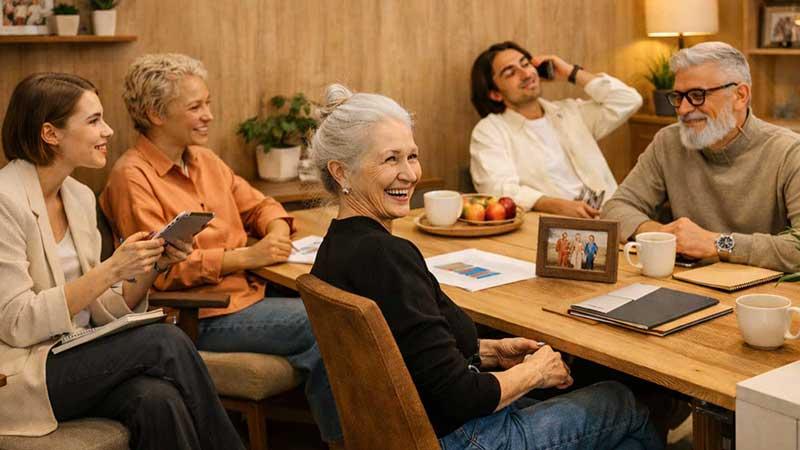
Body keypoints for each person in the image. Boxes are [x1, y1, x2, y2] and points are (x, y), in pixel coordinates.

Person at [309, 83, 663, 450]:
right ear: (342, 172)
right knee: (621, 402)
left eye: (412, 156)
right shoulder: (388, 257)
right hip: (460, 437)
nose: (410, 173)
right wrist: (535, 372)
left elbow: (406, 351)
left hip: (402, 431)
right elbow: (459, 396)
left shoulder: (335, 248)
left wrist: (491, 351)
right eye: (390, 159)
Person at [99, 53, 342, 443]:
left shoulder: (207, 160)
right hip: (198, 316)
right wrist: (248, 256)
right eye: (195, 106)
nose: (209, 114)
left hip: (248, 297)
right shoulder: (131, 177)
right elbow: (157, 268)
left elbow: (261, 205)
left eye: (208, 103)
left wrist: (275, 229)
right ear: (155, 114)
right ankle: (351, 440)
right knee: (330, 321)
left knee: (342, 304)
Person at [0, 73, 243, 450]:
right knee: (164, 341)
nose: (109, 131)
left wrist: (151, 264)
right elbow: (16, 323)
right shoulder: (5, 201)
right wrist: (112, 268)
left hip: (76, 353)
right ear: (51, 133)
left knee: (157, 401)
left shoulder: (78, 197)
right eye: (94, 120)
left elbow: (101, 310)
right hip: (21, 374)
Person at [602, 42, 800, 273]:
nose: (684, 109)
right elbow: (616, 207)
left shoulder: (789, 152)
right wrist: (662, 234)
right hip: (684, 283)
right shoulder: (668, 142)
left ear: (740, 95)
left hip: (761, 298)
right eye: (678, 96)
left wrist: (717, 243)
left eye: (697, 95)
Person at [469, 41, 642, 218]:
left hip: (614, 217)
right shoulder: (490, 131)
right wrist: (553, 205)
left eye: (526, 64)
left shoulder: (570, 112)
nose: (525, 74)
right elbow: (496, 188)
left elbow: (629, 100)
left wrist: (570, 72)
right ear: (495, 94)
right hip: (557, 228)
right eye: (510, 73)